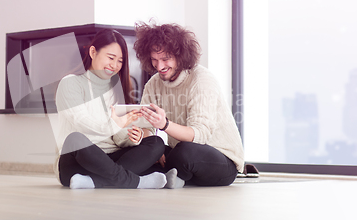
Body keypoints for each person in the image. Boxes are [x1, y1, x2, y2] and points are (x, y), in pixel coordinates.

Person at [134, 22, 245, 188]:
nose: (160, 66)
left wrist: (164, 125)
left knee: (184, 151)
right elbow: (145, 126)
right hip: (183, 154)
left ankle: (170, 176)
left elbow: (200, 135)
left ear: (180, 55)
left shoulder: (201, 79)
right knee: (145, 150)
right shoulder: (154, 83)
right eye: (155, 60)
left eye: (166, 59)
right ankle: (175, 177)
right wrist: (152, 145)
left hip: (221, 160)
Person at [54, 29, 167, 189]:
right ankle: (137, 182)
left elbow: (118, 138)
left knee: (155, 142)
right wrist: (116, 124)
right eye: (111, 57)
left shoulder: (116, 89)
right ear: (93, 52)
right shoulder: (70, 83)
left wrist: (133, 137)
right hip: (77, 162)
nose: (114, 65)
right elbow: (82, 125)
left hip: (111, 160)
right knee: (75, 139)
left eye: (120, 61)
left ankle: (93, 182)